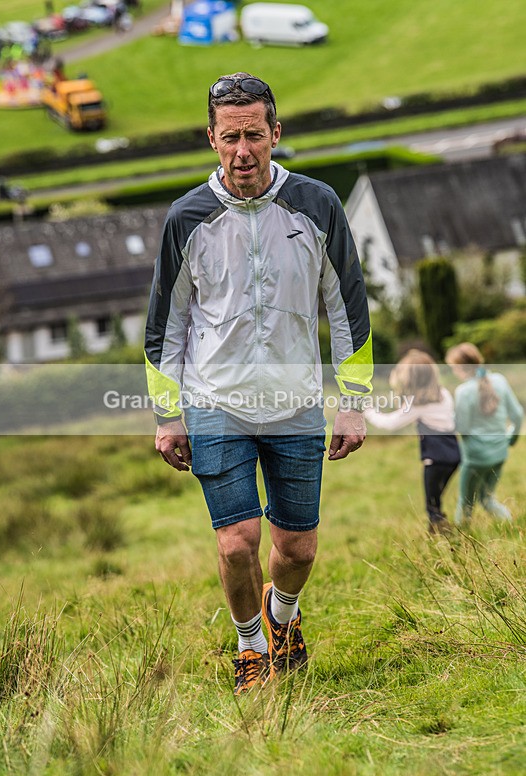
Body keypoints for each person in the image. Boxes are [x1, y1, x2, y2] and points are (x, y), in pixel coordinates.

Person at [144, 72, 373, 695]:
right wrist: (167, 414)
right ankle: (250, 646)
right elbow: (166, 323)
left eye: (253, 135)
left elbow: (348, 308)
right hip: (214, 404)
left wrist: (352, 404)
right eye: (230, 138)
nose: (242, 151)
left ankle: (282, 613)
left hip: (296, 405)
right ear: (211, 139)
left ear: (275, 133)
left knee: (297, 550)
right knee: (237, 544)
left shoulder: (318, 205)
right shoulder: (187, 217)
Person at [364, 349, 460, 534]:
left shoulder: (417, 404)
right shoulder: (444, 394)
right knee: (436, 500)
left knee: (431, 505)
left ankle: (441, 536)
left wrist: (368, 411)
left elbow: (390, 423)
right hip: (454, 456)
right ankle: (442, 533)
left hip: (435, 459)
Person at [445, 342, 523, 525]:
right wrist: (512, 438)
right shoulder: (500, 380)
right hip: (500, 453)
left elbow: (463, 429)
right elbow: (518, 415)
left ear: (460, 367)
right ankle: (513, 528)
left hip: (476, 458)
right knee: (487, 499)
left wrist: (451, 419)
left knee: (466, 503)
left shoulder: (463, 391)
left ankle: (461, 539)